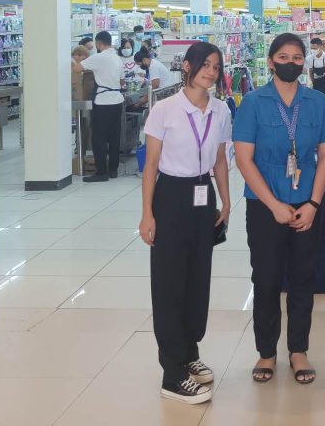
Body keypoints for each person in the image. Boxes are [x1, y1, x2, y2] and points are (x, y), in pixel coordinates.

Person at [233, 33, 325, 386]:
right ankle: (266, 351)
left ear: (304, 62)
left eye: (296, 57)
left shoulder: (317, 102)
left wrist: (314, 203)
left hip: (307, 203)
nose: (289, 62)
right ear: (271, 61)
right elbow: (244, 160)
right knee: (266, 279)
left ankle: (298, 351)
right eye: (283, 56)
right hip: (264, 204)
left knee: (304, 278)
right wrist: (274, 204)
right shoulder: (253, 102)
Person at [138, 42, 232, 404]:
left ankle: (189, 353)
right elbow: (150, 166)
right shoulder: (165, 109)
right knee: (169, 283)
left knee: (197, 278)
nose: (210, 71)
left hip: (203, 195)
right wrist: (148, 213)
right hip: (171, 196)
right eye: (204, 64)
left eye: (215, 66)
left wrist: (225, 200)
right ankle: (172, 373)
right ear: (188, 67)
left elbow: (221, 160)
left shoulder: (221, 110)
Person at [73, 30, 125, 182]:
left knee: (99, 138)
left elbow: (77, 69)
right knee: (114, 137)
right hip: (117, 101)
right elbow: (122, 81)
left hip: (103, 102)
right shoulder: (117, 58)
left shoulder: (98, 57)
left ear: (99, 43)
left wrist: (77, 61)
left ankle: (101, 172)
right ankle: (113, 170)